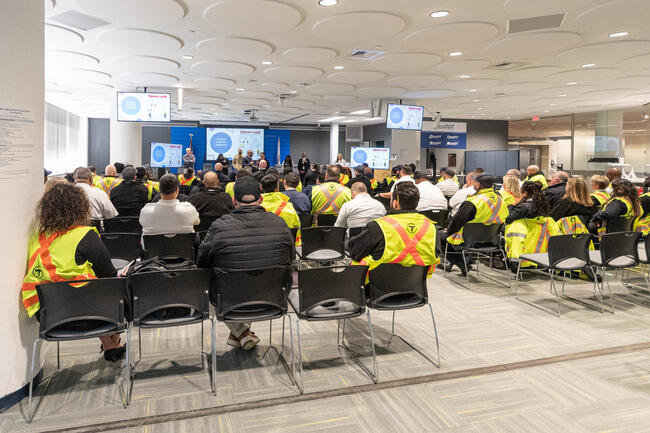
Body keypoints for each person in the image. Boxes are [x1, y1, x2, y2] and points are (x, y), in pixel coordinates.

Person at [22, 182, 124, 361]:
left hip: (48, 317)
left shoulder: (37, 238)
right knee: (117, 289)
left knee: (83, 291)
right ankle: (113, 341)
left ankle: (109, 345)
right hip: (89, 315)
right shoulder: (84, 235)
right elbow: (109, 275)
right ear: (81, 207)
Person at [197, 177, 294, 350]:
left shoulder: (219, 227)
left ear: (234, 201)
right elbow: (291, 258)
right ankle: (242, 333)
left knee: (224, 277)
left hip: (229, 298)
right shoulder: (280, 223)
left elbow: (202, 263)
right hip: (273, 296)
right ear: (261, 199)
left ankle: (240, 332)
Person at [350, 182, 438, 273]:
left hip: (379, 284)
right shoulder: (431, 227)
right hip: (416, 285)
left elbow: (355, 253)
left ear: (395, 203)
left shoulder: (378, 227)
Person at [446, 174, 509, 274]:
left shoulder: (473, 201)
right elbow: (506, 215)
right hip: (492, 239)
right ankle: (462, 263)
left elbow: (457, 221)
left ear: (477, 184)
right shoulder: (500, 199)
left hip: (470, 240)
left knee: (441, 237)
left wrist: (448, 231)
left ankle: (463, 265)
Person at [504, 181, 560, 270]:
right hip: (541, 254)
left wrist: (514, 204)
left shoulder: (523, 207)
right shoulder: (543, 206)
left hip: (524, 251)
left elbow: (507, 218)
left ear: (525, 193)